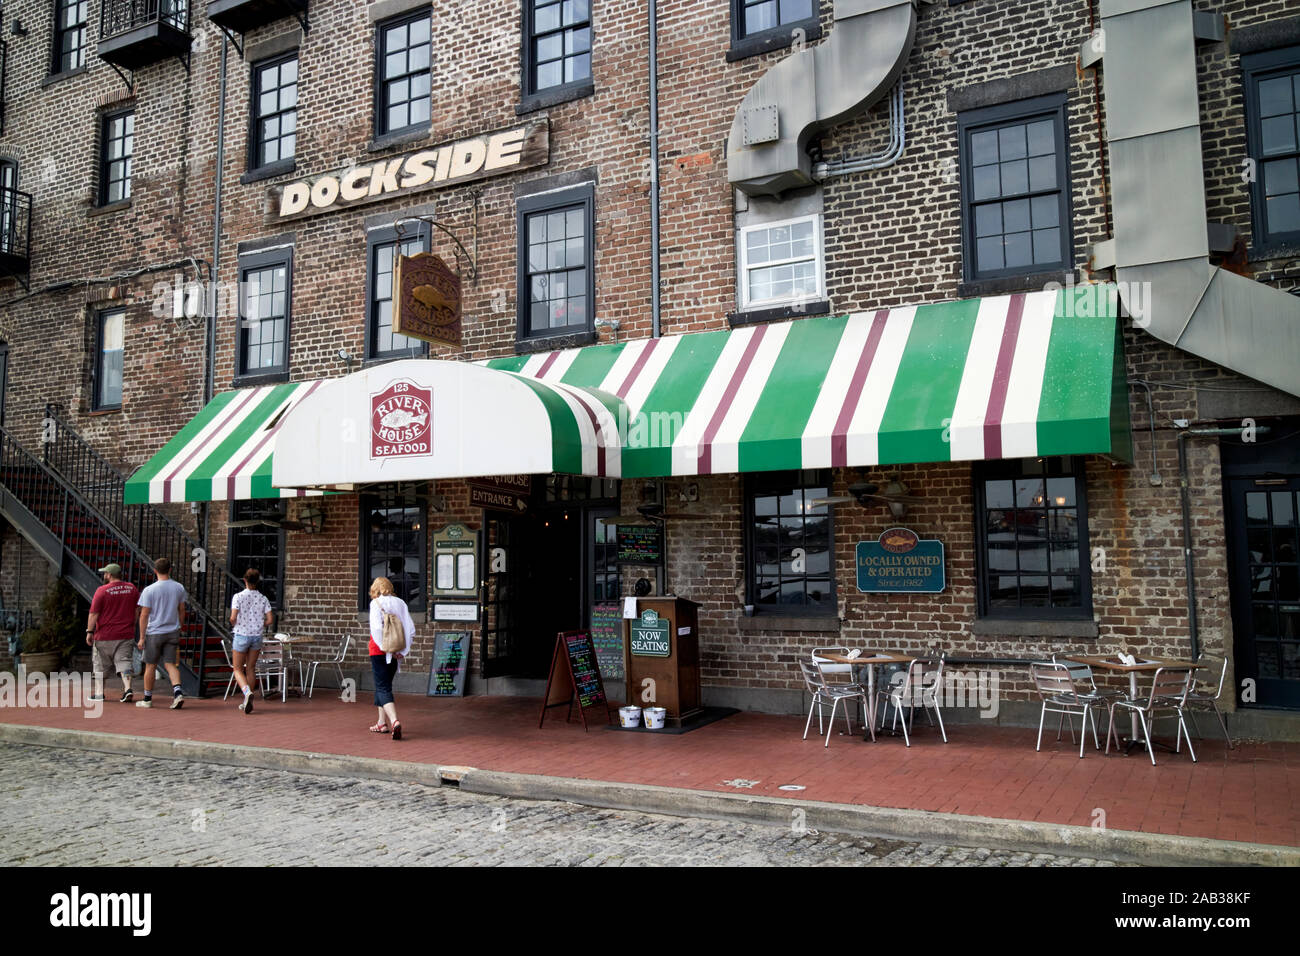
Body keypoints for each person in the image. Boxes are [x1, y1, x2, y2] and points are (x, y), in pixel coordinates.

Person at [136, 557, 188, 709]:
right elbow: (182, 610)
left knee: (150, 665)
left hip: (154, 632)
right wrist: (180, 626)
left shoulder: (149, 590)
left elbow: (144, 614)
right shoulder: (179, 587)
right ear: (170, 569)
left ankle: (147, 698)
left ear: (155, 570)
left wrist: (141, 637)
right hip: (172, 630)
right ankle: (177, 692)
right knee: (171, 664)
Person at [367, 576, 414, 740]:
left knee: (383, 687)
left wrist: (386, 649)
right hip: (397, 651)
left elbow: (376, 629)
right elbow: (410, 629)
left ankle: (394, 721)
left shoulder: (375, 604)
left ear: (376, 589)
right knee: (384, 685)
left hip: (379, 651)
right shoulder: (401, 603)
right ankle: (381, 723)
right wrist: (402, 650)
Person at [85, 563, 139, 703]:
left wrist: (90, 631)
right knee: (124, 662)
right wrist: (133, 624)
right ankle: (127, 688)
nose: (104, 575)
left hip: (104, 635)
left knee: (100, 664)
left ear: (109, 575)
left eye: (105, 573)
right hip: (125, 633)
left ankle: (99, 693)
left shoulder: (102, 591)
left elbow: (94, 613)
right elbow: (137, 610)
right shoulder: (131, 588)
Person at [229, 568, 273, 714]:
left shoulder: (238, 597)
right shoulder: (263, 598)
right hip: (257, 636)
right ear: (258, 581)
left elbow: (233, 618)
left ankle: (247, 693)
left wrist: (233, 622)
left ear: (244, 580)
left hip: (242, 634)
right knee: (251, 668)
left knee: (237, 669)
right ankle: (247, 701)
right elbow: (270, 619)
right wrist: (261, 624)